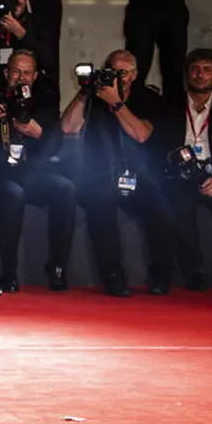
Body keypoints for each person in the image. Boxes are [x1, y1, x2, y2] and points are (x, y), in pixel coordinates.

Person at [60, 49, 164, 297]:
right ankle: (113, 276)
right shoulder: (94, 96)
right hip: (98, 174)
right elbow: (67, 128)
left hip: (136, 173)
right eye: (114, 71)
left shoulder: (147, 97)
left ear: (135, 75)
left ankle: (161, 275)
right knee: (101, 204)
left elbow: (141, 134)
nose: (119, 76)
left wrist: (115, 103)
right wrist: (84, 93)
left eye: (124, 72)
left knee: (160, 205)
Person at [149, 49, 212, 292]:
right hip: (179, 174)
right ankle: (193, 272)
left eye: (207, 70)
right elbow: (157, 145)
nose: (200, 75)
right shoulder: (168, 106)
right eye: (195, 69)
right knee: (178, 205)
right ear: (186, 73)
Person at [0, 50, 77, 292]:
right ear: (6, 73)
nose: (21, 78)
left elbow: (57, 144)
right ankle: (9, 272)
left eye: (27, 73)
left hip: (34, 172)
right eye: (16, 72)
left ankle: (58, 268)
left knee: (66, 189)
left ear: (35, 76)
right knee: (13, 194)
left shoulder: (44, 102)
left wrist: (38, 133)